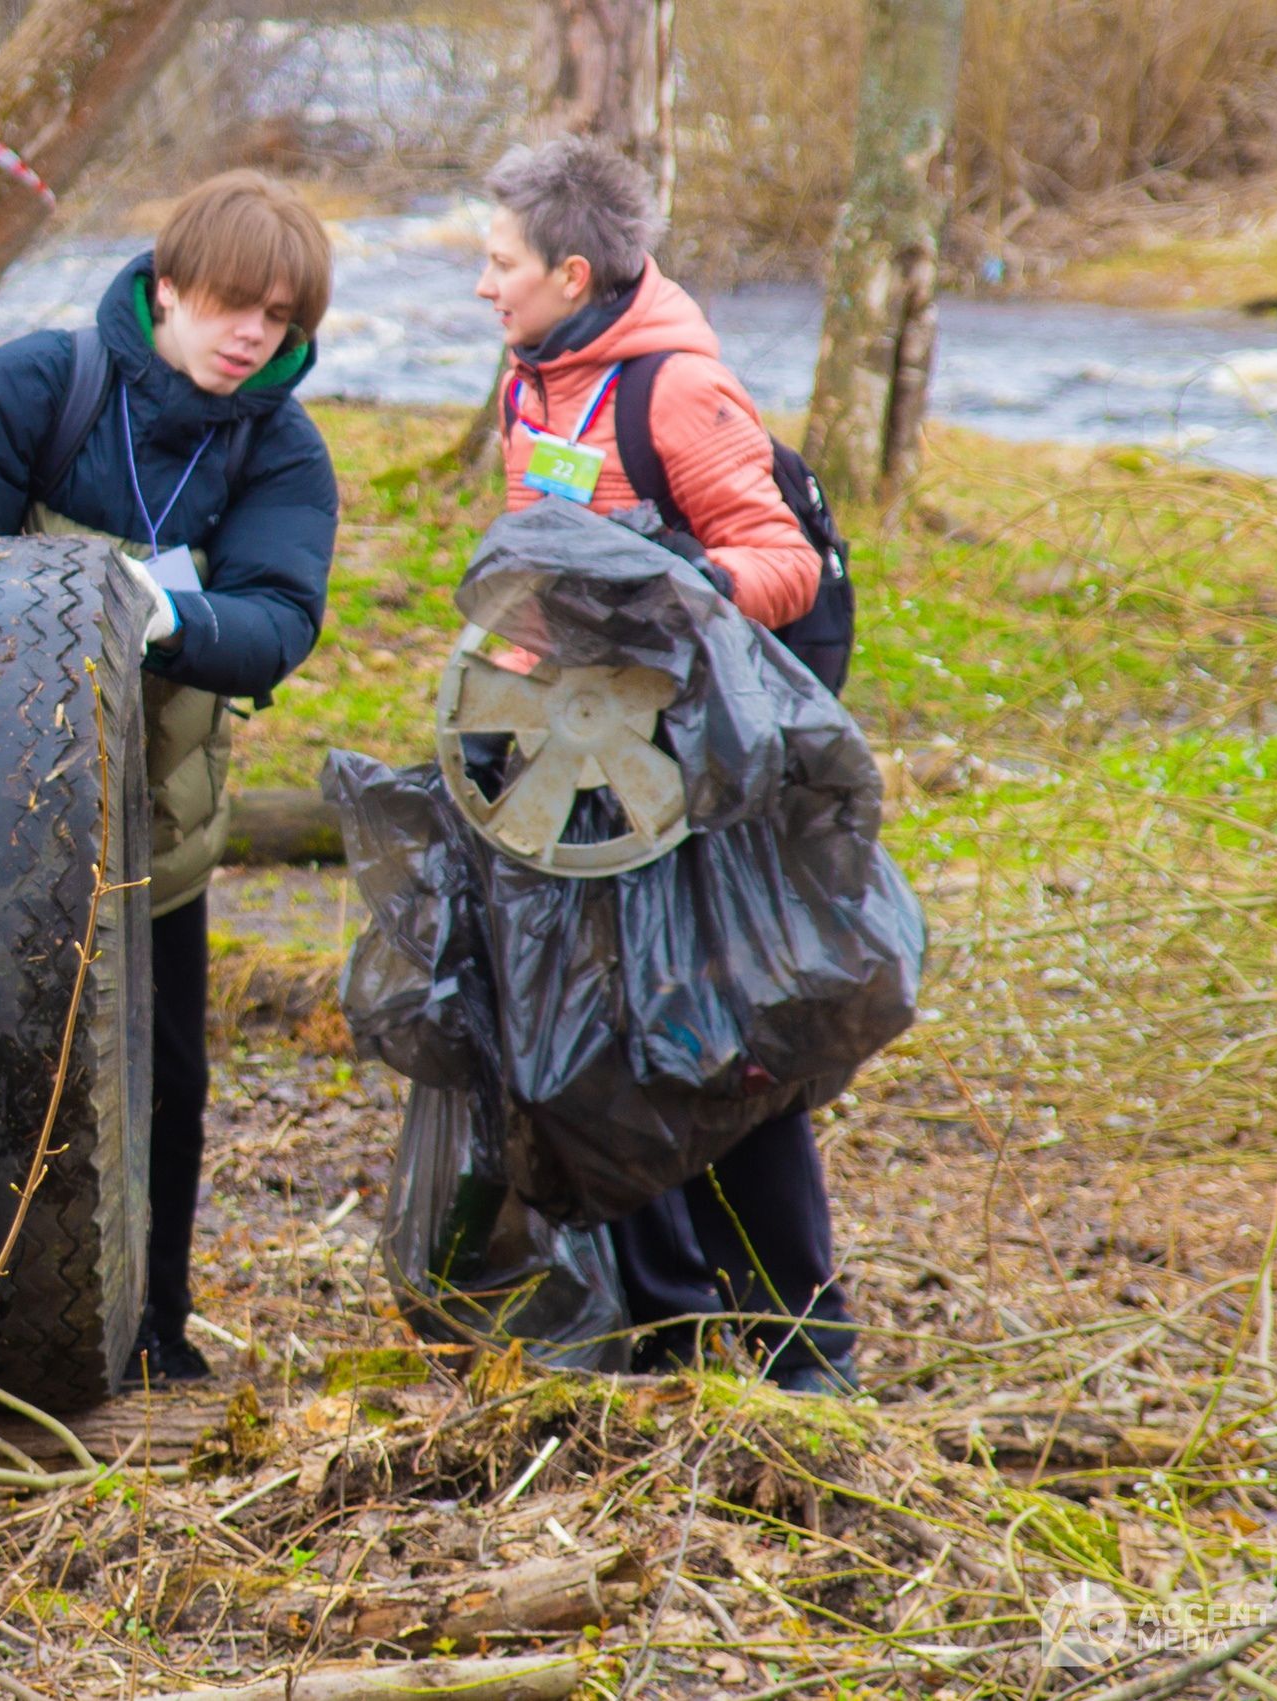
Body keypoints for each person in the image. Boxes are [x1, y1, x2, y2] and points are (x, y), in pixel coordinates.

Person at [0, 170, 340, 1383]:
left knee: (166, 1079)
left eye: (279, 320)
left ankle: (156, 1325)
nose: (251, 337)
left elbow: (278, 618)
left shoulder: (279, 448)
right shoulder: (41, 387)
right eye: (231, 304)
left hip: (155, 818)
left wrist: (148, 615)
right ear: (166, 286)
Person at [473, 134, 856, 1396]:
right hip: (578, 771)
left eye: (500, 264)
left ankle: (803, 1346)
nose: (484, 286)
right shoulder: (532, 375)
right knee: (598, 1046)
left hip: (695, 779)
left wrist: (682, 584)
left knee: (722, 1045)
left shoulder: (677, 391)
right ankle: (672, 1333)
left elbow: (778, 558)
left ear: (571, 273)